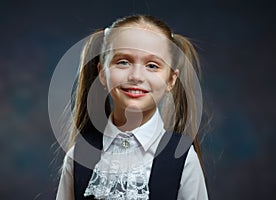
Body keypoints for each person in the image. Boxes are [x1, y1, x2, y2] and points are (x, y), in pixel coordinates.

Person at [56, 15, 208, 200]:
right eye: (123, 62)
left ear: (171, 80)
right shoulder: (78, 156)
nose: (136, 76)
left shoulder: (183, 160)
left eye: (152, 65)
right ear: (102, 74)